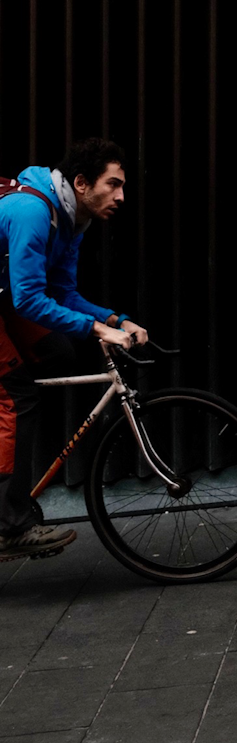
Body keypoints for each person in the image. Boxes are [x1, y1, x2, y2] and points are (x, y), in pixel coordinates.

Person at [0, 137, 147, 561]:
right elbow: (28, 299)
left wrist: (116, 321)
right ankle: (9, 525)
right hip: (9, 299)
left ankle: (9, 486)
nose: (121, 196)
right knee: (15, 394)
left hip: (4, 297)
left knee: (58, 354)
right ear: (81, 183)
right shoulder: (32, 211)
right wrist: (98, 330)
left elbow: (61, 293)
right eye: (113, 185)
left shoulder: (71, 221)